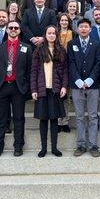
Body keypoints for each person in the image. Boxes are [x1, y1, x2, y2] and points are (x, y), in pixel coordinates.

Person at [0, 21, 32, 157]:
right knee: (0, 118)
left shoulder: (26, 48)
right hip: (1, 87)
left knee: (19, 118)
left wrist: (27, 87)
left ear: (19, 30)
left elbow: (30, 70)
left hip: (18, 88)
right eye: (11, 28)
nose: (13, 29)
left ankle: (18, 146)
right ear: (7, 30)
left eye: (16, 28)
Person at [67, 18, 100, 157]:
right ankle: (81, 145)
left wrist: (90, 79)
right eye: (81, 26)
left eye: (86, 26)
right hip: (77, 86)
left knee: (93, 116)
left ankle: (93, 145)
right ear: (77, 29)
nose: (83, 29)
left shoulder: (97, 44)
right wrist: (78, 80)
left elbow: (98, 63)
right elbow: (71, 63)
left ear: (90, 29)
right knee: (80, 116)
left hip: (92, 85)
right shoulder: (72, 44)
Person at [31, 26, 68, 157]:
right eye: (49, 33)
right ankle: (43, 148)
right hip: (42, 90)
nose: (51, 35)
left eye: (53, 33)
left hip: (55, 90)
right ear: (45, 35)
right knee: (43, 120)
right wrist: (34, 89)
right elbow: (34, 71)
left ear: (56, 35)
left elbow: (65, 71)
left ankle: (54, 148)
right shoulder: (39, 50)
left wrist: (64, 86)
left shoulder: (61, 50)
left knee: (54, 120)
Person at [57, 13, 75, 133]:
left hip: (68, 67)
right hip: (57, 66)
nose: (64, 22)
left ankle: (65, 121)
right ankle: (58, 122)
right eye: (62, 20)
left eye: (66, 20)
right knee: (58, 97)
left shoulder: (73, 34)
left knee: (66, 97)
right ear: (59, 22)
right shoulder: (55, 33)